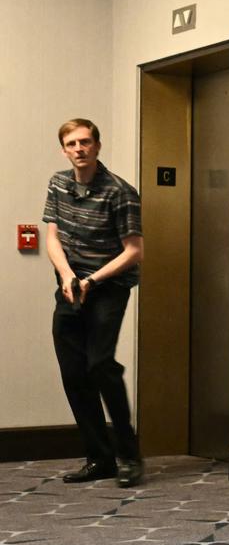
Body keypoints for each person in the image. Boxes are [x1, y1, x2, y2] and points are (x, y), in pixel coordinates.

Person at [43, 119, 145, 489]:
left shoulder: (120, 192)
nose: (79, 149)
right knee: (73, 373)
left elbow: (134, 251)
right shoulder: (58, 183)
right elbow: (52, 237)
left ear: (97, 146)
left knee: (100, 365)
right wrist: (68, 276)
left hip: (108, 287)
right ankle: (99, 458)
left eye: (85, 142)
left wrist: (90, 280)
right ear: (64, 149)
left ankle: (129, 455)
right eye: (72, 143)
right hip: (70, 284)